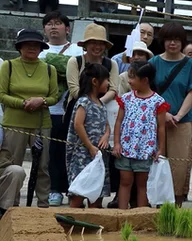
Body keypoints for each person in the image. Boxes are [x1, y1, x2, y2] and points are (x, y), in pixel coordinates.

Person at [0, 29, 59, 210]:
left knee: (43, 166)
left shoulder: (50, 69)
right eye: (27, 44)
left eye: (36, 45)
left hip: (41, 123)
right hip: (14, 123)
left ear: (41, 49)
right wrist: (22, 103)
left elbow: (54, 96)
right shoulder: (8, 66)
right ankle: (11, 207)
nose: (32, 47)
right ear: (19, 47)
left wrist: (40, 101)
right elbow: (1, 94)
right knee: (12, 165)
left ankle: (43, 205)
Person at [148, 22, 192, 205]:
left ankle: (177, 204)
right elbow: (149, 91)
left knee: (180, 164)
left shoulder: (190, 64)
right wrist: (165, 113)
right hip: (157, 119)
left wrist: (177, 115)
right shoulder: (154, 62)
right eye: (169, 39)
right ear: (163, 41)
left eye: (177, 40)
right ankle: (156, 203)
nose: (173, 43)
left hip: (183, 121)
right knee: (156, 161)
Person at [38, 12, 84, 207]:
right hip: (46, 110)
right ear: (44, 29)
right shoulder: (38, 51)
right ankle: (54, 190)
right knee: (50, 154)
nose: (53, 27)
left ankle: (74, 190)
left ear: (67, 28)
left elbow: (79, 76)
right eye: (49, 24)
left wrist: (54, 67)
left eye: (58, 23)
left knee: (72, 152)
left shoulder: (77, 51)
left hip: (71, 111)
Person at [113, 61, 168, 208]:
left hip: (146, 150)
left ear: (145, 80)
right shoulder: (126, 98)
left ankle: (140, 215)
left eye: (132, 77)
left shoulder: (158, 101)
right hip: (125, 148)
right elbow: (118, 121)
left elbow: (161, 127)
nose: (129, 81)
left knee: (142, 184)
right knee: (125, 181)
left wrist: (160, 148)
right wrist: (117, 143)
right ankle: (121, 214)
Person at [67, 63, 110, 208]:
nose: (108, 84)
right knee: (79, 193)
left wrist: (105, 136)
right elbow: (78, 125)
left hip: (99, 157)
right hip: (83, 155)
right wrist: (90, 146)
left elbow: (107, 126)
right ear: (95, 81)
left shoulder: (101, 104)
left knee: (97, 195)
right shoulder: (84, 101)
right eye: (106, 80)